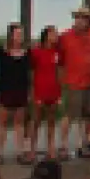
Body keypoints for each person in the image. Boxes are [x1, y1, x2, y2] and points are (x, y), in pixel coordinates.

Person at [61, 8, 90, 159]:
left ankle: (82, 144)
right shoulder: (65, 36)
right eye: (77, 18)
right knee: (69, 115)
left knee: (88, 115)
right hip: (73, 82)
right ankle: (63, 145)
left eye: (84, 18)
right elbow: (60, 60)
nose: (80, 21)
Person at [0, 23, 33, 164]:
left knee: (19, 123)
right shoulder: (0, 51)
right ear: (10, 35)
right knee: (1, 122)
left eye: (20, 34)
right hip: (5, 90)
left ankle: (20, 151)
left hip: (21, 90)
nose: (18, 37)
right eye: (16, 34)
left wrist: (29, 91)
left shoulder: (27, 53)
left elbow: (28, 73)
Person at [30, 26, 64, 162]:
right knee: (36, 121)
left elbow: (60, 71)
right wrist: (33, 93)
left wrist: (59, 92)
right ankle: (32, 149)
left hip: (53, 89)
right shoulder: (36, 51)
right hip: (40, 89)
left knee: (51, 121)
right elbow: (31, 72)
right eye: (52, 34)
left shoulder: (57, 52)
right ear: (46, 35)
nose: (55, 36)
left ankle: (50, 147)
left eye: (56, 33)